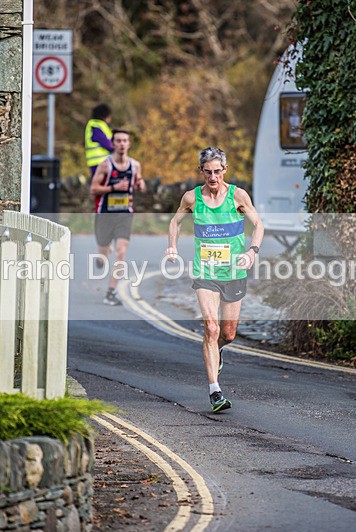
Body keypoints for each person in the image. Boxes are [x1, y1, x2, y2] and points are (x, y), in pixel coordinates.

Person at [165, 146, 263, 413]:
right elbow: (175, 222)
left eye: (217, 171)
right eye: (207, 172)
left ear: (225, 170)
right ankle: (215, 391)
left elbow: (258, 225)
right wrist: (172, 246)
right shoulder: (191, 198)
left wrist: (252, 251)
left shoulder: (238, 196)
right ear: (201, 171)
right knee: (211, 328)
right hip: (205, 273)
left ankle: (218, 350)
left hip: (233, 273)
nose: (213, 177)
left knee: (227, 334)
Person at [90, 129, 145, 306]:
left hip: (124, 214)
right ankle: (103, 254)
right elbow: (93, 189)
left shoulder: (135, 165)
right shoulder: (105, 165)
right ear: (113, 144)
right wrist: (114, 188)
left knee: (121, 251)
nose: (122, 144)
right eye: (118, 141)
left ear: (129, 144)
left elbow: (139, 182)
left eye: (125, 141)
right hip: (105, 214)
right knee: (103, 252)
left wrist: (140, 184)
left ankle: (110, 292)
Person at [85, 103, 113, 176]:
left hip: (97, 161)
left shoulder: (95, 125)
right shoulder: (96, 125)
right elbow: (106, 143)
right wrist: (116, 149)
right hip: (100, 161)